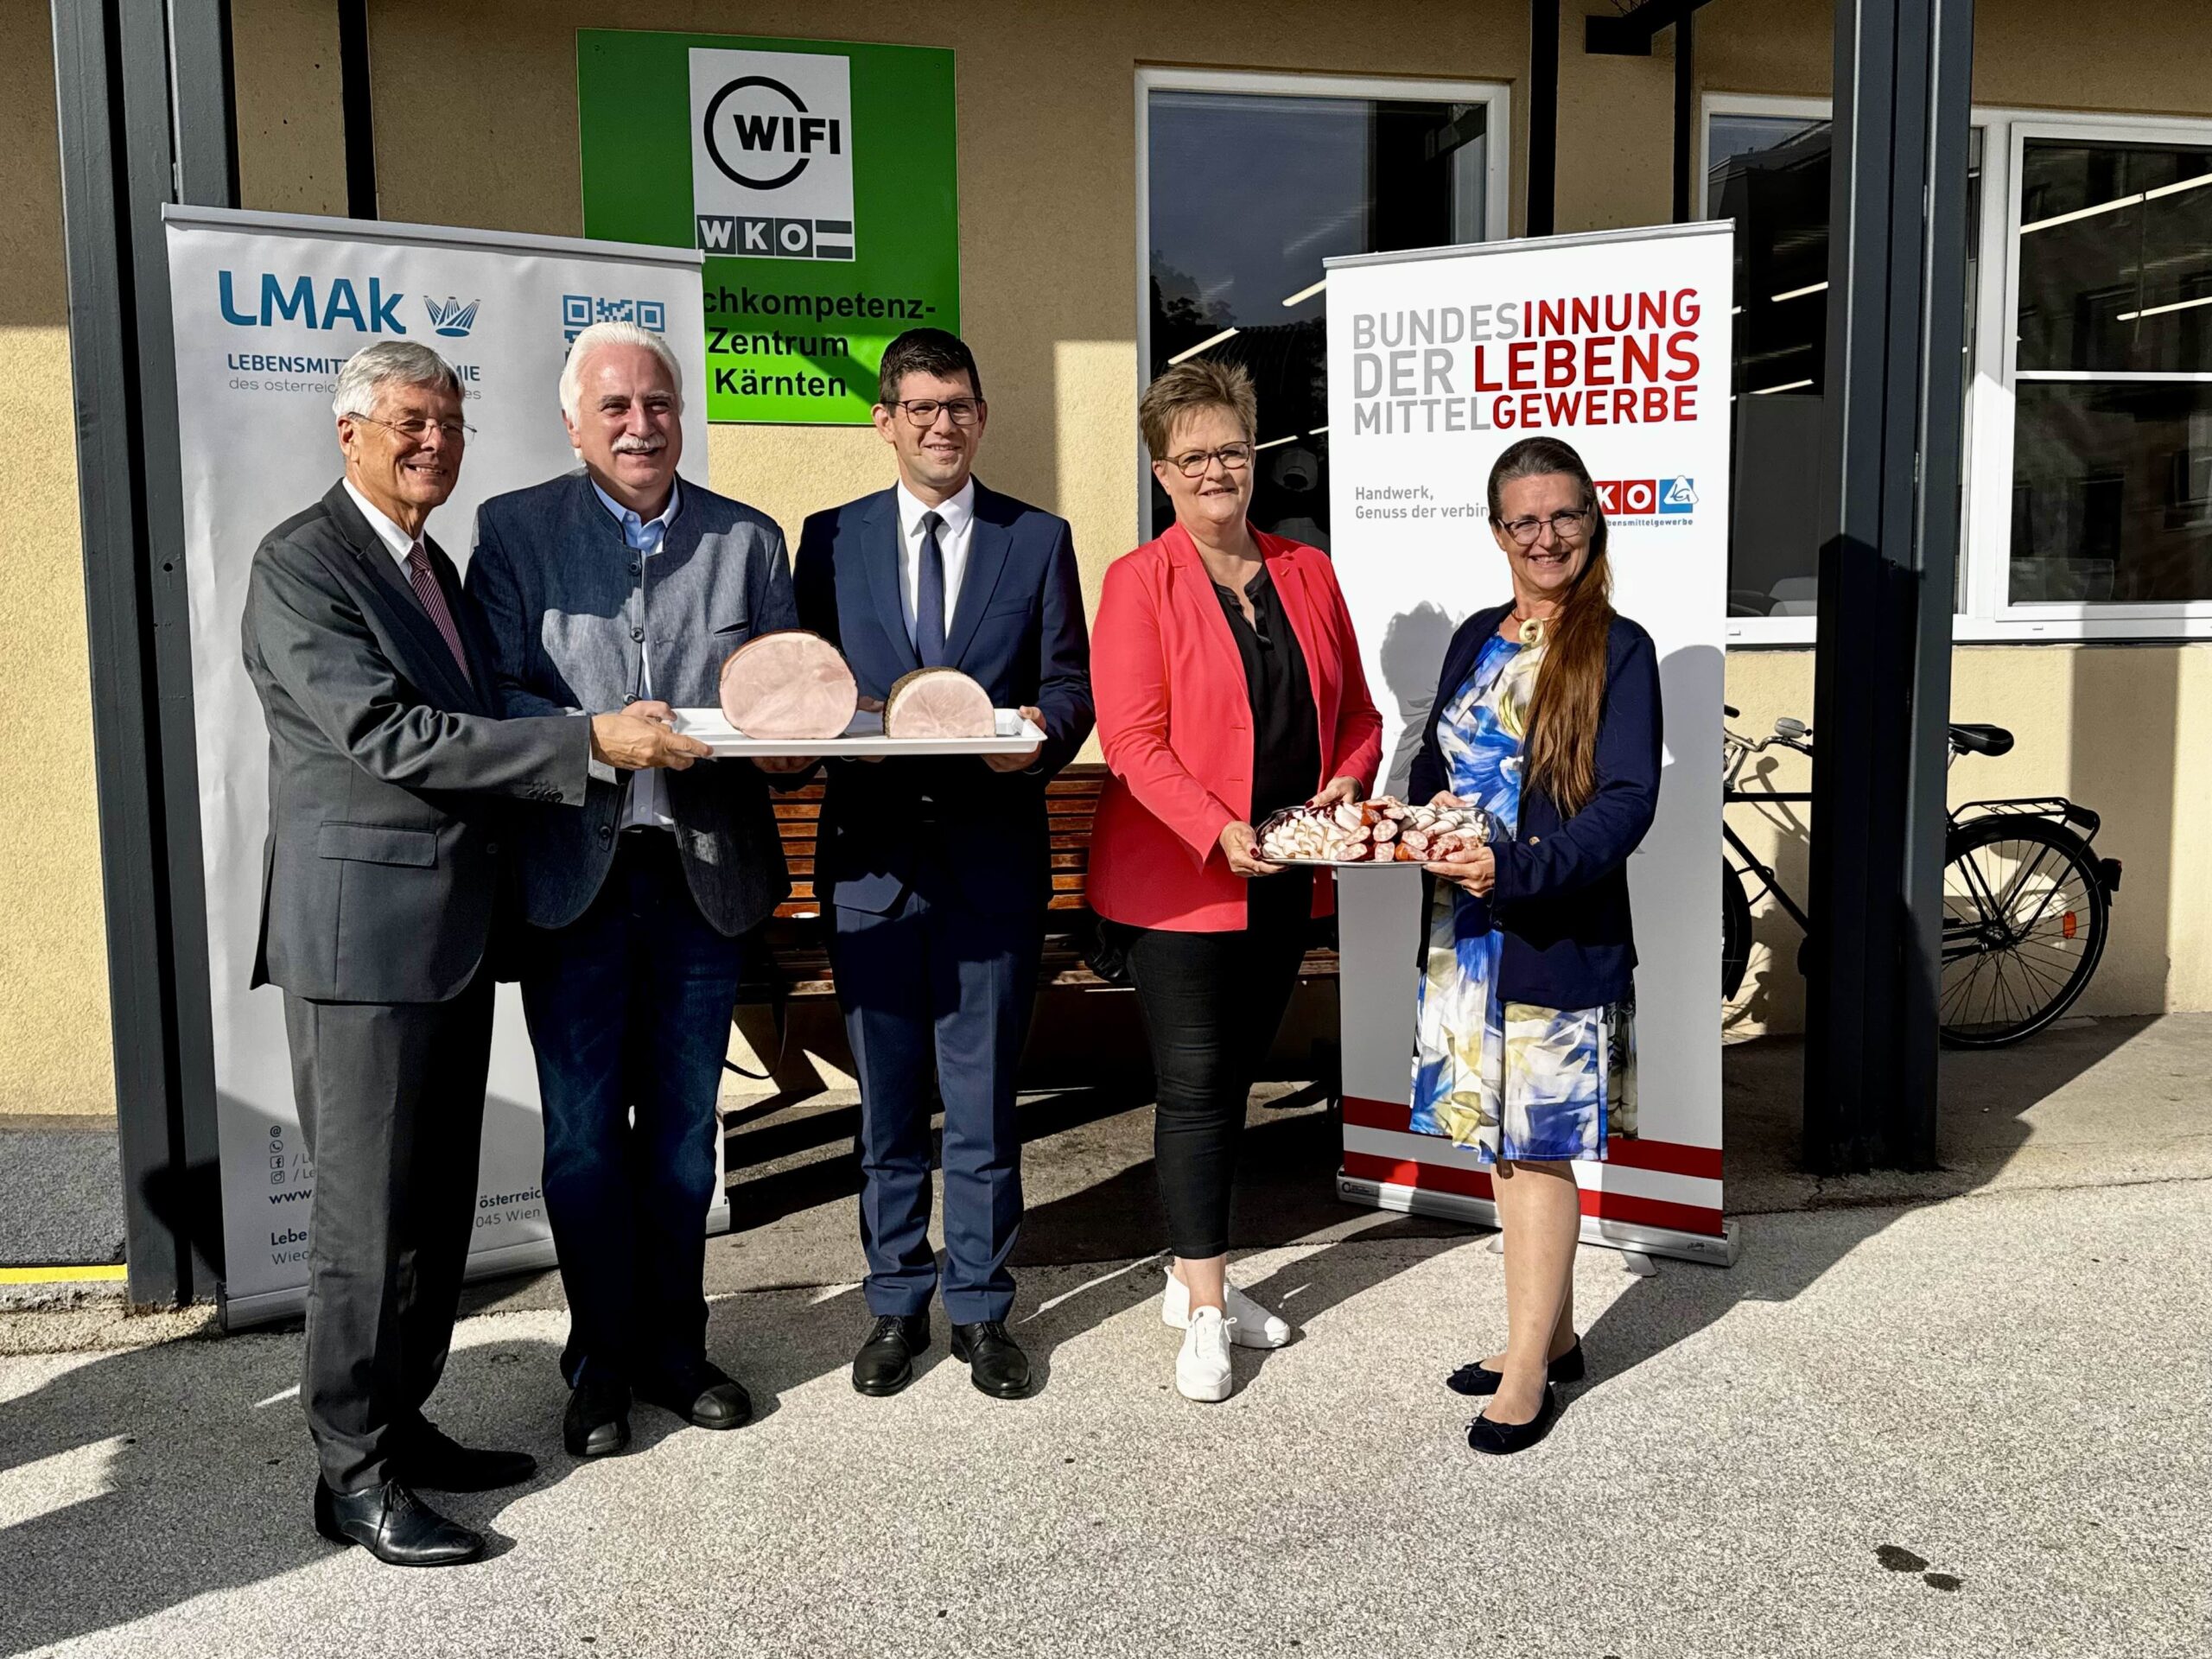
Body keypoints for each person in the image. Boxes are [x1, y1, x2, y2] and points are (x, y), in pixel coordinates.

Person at [241, 340, 703, 1567]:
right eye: (407, 422)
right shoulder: (304, 564)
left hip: (445, 937)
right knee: (364, 1219)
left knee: (431, 1214)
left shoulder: (431, 564)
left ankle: (403, 1421)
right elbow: (387, 733)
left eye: (448, 423)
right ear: (349, 432)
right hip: (362, 946)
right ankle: (354, 1474)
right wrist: (585, 742)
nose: (432, 442)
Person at [467, 321, 808, 1459]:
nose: (640, 424)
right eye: (614, 407)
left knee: (678, 1141)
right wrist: (598, 740)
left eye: (657, 404)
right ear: (575, 424)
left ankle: (677, 1345)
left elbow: (791, 698)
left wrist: (792, 735)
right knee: (580, 1144)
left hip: (701, 882)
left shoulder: (748, 541)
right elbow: (492, 698)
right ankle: (598, 1361)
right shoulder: (516, 535)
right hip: (574, 880)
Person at [793, 327, 1093, 1400]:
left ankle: (979, 1309)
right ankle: (890, 1305)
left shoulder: (1037, 538)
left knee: (980, 1106)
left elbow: (1070, 690)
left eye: (958, 404)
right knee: (883, 1109)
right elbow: (806, 688)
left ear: (979, 416)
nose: (939, 423)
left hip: (990, 867)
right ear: (884, 419)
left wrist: (1032, 739)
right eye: (917, 405)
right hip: (870, 867)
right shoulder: (828, 541)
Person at [1090, 359, 1382, 1402]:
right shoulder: (1140, 581)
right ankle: (1207, 1311)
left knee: (1238, 1089)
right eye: (1192, 457)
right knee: (1198, 1095)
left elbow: (1357, 714)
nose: (1216, 471)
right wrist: (1219, 832)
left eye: (1231, 450)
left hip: (1286, 876)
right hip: (1182, 884)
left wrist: (1343, 791)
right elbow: (1132, 739)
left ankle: (1190, 1277)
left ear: (1254, 456)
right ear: (1161, 473)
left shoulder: (1308, 571)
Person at [1408, 434, 1662, 1456]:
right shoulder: (1479, 632)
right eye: (1524, 520)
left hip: (1555, 931)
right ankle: (1549, 1337)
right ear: (1498, 530)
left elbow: (1627, 804)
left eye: (1563, 515)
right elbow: (1439, 753)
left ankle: (1527, 1375)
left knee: (1535, 1151)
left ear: (1591, 519)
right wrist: (1426, 815)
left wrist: (1517, 870)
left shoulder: (1619, 646)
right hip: (1467, 939)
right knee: (1502, 1146)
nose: (1545, 536)